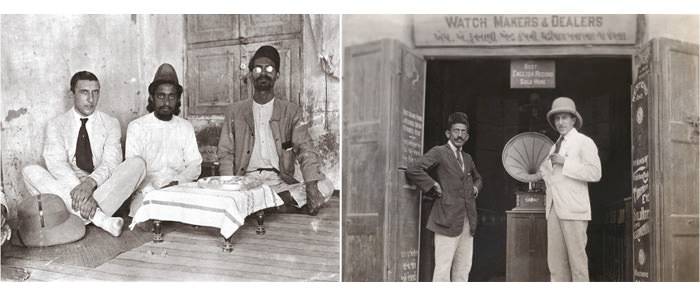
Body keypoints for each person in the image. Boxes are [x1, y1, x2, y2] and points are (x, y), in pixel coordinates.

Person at [22, 71, 146, 237]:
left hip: (101, 190)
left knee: (137, 164)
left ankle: (77, 214)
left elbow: (111, 162)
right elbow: (57, 165)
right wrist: (79, 189)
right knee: (29, 171)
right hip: (69, 188)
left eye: (95, 92)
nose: (91, 99)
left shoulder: (110, 123)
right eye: (84, 92)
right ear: (72, 94)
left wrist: (89, 184)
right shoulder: (56, 125)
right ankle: (99, 219)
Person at [217, 45, 333, 216]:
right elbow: (225, 153)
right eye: (258, 69)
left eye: (269, 69)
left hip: (278, 182)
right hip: (245, 182)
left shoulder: (291, 111)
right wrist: (229, 188)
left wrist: (310, 186)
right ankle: (272, 205)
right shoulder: (235, 111)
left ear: (277, 75)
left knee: (325, 185)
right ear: (251, 75)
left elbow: (305, 149)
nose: (263, 73)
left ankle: (265, 205)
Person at [526, 96, 601, 282]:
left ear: (574, 119)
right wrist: (537, 176)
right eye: (557, 119)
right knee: (556, 265)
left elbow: (595, 173)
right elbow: (550, 178)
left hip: (574, 210)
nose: (560, 122)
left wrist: (565, 162)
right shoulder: (553, 147)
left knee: (578, 264)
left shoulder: (584, 142)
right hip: (553, 210)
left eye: (564, 117)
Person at [406, 112, 483, 281]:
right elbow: (413, 169)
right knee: (443, 270)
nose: (459, 135)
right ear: (448, 133)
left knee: (463, 270)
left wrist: (475, 188)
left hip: (467, 221)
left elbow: (478, 178)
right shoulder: (439, 152)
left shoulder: (468, 158)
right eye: (456, 131)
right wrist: (432, 185)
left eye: (463, 132)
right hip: (446, 219)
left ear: (467, 136)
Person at [125, 63, 202, 217]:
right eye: (161, 96)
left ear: (177, 99)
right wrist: (153, 191)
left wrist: (177, 182)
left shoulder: (185, 127)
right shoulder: (137, 127)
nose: (166, 102)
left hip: (180, 189)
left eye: (171, 96)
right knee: (148, 220)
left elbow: (195, 164)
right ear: (152, 98)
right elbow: (133, 169)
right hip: (146, 193)